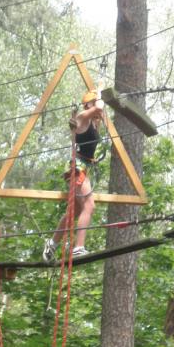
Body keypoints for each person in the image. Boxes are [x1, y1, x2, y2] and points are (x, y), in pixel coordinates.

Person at [42, 89, 103, 261]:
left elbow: (100, 112)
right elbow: (99, 108)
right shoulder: (82, 117)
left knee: (74, 211)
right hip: (77, 168)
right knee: (89, 206)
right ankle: (78, 248)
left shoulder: (93, 122)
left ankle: (52, 244)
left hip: (84, 166)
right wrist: (100, 94)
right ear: (89, 104)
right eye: (94, 102)